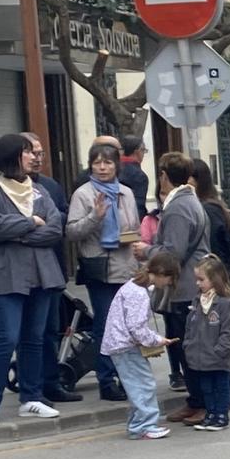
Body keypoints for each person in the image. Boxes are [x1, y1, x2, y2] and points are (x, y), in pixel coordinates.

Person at [0, 134, 68, 427]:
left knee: (34, 339)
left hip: (41, 274)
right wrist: (30, 223)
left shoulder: (39, 190)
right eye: (26, 152)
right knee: (8, 338)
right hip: (6, 276)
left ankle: (32, 398)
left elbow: (55, 228)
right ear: (11, 156)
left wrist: (19, 234)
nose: (33, 157)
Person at [65, 140, 141, 404]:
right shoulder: (83, 194)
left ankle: (127, 376)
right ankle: (106, 380)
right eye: (97, 162)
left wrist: (131, 237)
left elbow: (135, 226)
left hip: (126, 265)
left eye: (107, 162)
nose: (102, 167)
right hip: (99, 267)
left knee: (128, 325)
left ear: (116, 165)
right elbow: (72, 231)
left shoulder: (126, 193)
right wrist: (95, 217)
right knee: (106, 324)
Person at [20, 132, 81, 405]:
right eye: (31, 152)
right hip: (22, 273)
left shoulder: (50, 185)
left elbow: (64, 220)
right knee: (26, 332)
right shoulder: (5, 188)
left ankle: (51, 382)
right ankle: (30, 386)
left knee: (51, 329)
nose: (37, 158)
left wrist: (48, 220)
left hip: (52, 268)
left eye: (40, 153)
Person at [154, 152, 213, 425]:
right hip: (191, 284)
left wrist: (146, 251)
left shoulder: (178, 206)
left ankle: (203, 402)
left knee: (188, 350)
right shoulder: (188, 200)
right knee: (185, 347)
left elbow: (172, 253)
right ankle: (195, 400)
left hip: (186, 287)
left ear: (165, 175)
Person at [99, 250, 178, 440]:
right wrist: (157, 340)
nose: (168, 284)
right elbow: (137, 328)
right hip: (126, 346)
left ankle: (137, 425)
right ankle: (145, 425)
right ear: (160, 273)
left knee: (137, 385)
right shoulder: (139, 293)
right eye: (168, 279)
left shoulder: (132, 287)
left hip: (120, 344)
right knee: (144, 385)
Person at [183, 255, 230, 432]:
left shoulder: (224, 304)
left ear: (214, 279)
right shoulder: (197, 302)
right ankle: (211, 413)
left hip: (218, 357)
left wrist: (220, 350)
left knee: (220, 387)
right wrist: (188, 345)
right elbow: (190, 327)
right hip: (200, 357)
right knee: (206, 387)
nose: (198, 284)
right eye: (197, 280)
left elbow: (229, 330)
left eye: (201, 280)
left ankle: (221, 414)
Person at [116, 134, 150, 218]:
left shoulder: (112, 169)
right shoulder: (139, 176)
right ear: (137, 151)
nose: (143, 154)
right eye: (144, 151)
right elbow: (139, 206)